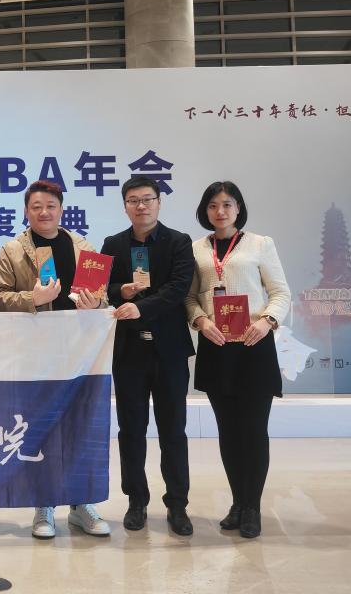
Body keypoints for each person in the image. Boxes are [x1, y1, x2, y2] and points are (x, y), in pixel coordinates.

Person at [0, 180, 111, 540]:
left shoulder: (83, 247)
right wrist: (33, 298)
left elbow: (102, 296)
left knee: (80, 426)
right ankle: (43, 504)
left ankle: (81, 504)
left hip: (80, 353)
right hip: (35, 354)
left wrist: (96, 302)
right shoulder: (13, 250)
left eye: (51, 206)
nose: (44, 212)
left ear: (61, 209)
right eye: (36, 206)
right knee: (40, 427)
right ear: (26, 211)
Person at [184, 181, 291, 539]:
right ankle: (237, 502)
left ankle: (252, 507)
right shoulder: (196, 249)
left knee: (253, 430)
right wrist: (201, 321)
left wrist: (267, 321)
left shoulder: (261, 244)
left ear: (239, 208)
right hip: (216, 346)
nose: (220, 211)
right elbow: (189, 297)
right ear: (205, 210)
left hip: (253, 345)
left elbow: (280, 293)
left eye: (227, 204)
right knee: (228, 431)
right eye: (213, 205)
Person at [101, 177, 195, 536]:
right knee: (131, 430)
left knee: (173, 430)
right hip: (129, 353)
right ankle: (136, 500)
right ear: (125, 205)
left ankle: (177, 504)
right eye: (133, 200)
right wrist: (120, 290)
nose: (141, 206)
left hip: (169, 351)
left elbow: (178, 288)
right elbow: (102, 289)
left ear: (159, 202)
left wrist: (142, 307)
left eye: (147, 199)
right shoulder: (113, 244)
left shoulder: (179, 242)